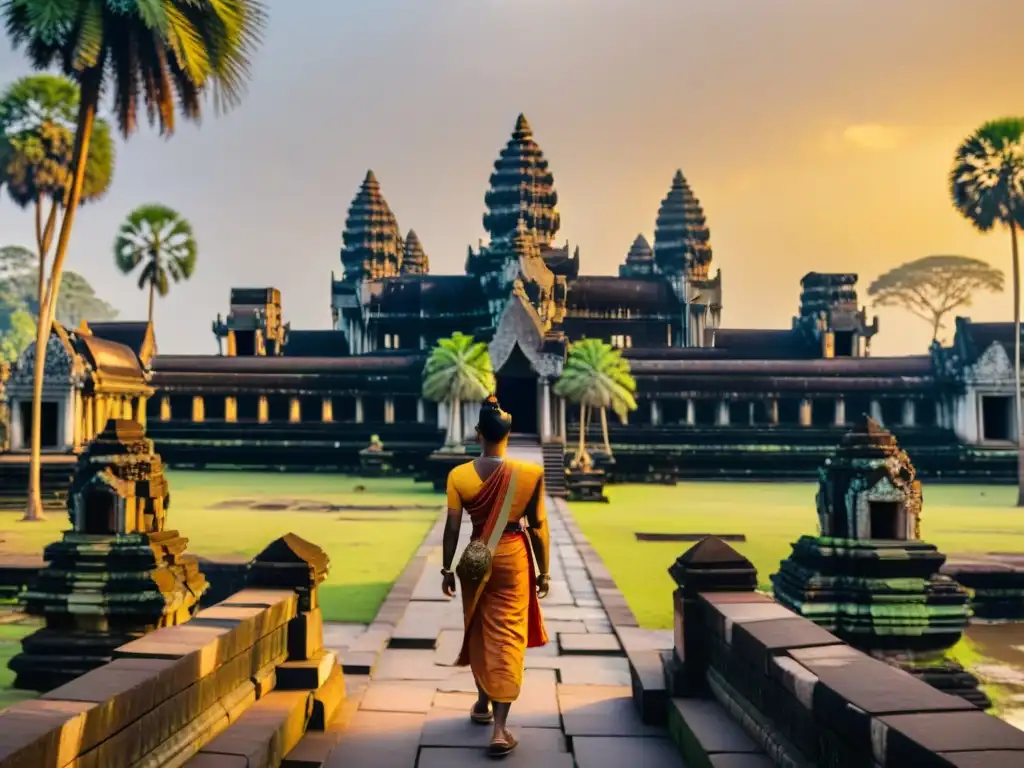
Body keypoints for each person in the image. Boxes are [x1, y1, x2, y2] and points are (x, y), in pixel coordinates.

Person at [441, 395, 550, 758]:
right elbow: (537, 529)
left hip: (476, 559)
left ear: (477, 434)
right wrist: (544, 571)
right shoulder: (530, 474)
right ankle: (500, 730)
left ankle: (482, 703)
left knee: (479, 629)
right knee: (507, 637)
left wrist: (446, 568)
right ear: (510, 433)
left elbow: (452, 528)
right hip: (514, 560)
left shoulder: (459, 475)